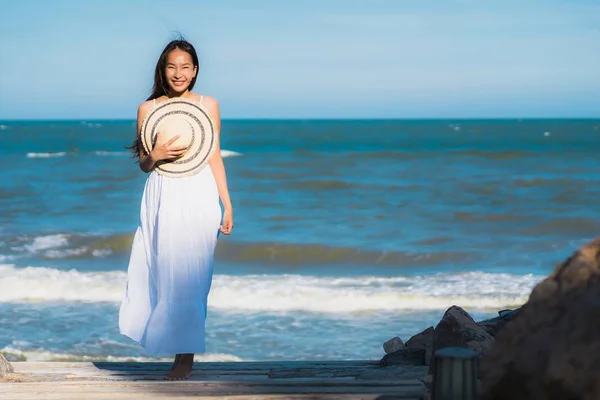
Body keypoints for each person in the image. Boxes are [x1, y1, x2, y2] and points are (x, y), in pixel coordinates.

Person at [118, 38, 233, 380]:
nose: (178, 73)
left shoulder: (207, 104)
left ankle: (185, 358)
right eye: (172, 66)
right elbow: (143, 164)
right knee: (162, 268)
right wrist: (155, 155)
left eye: (185, 66)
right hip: (162, 192)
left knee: (193, 274)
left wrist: (227, 203)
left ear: (195, 70)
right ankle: (167, 344)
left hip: (200, 191)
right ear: (163, 69)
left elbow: (214, 154)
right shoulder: (148, 109)